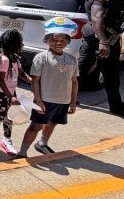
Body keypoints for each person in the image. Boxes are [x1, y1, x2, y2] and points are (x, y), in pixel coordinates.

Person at [16, 18, 79, 158]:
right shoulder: (41, 58)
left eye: (63, 40)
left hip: (63, 101)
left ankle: (42, 144)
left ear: (68, 41)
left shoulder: (72, 60)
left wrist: (73, 102)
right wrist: (38, 100)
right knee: (35, 126)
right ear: (47, 40)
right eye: (54, 39)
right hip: (45, 100)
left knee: (53, 123)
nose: (58, 43)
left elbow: (74, 82)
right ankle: (22, 153)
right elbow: (35, 81)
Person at [0, 30, 31, 156]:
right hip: (2, 93)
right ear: (13, 44)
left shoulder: (14, 58)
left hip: (11, 92)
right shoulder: (4, 59)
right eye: (20, 43)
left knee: (10, 115)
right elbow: (0, 80)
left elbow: (21, 73)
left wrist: (30, 80)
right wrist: (10, 97)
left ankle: (6, 139)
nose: (22, 45)